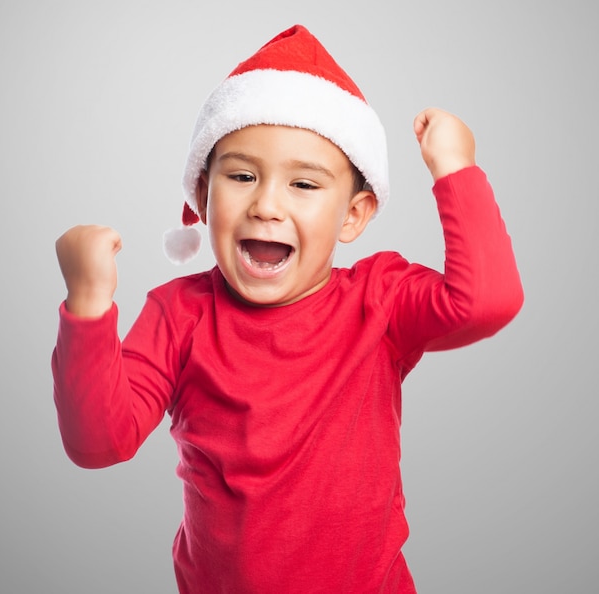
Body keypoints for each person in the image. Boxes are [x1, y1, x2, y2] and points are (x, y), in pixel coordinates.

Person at [52, 24, 523, 594]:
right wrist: (88, 303)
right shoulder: (180, 313)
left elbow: (487, 301)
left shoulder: (379, 300)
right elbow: (100, 442)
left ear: (353, 215)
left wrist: (455, 166)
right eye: (243, 176)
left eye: (304, 184)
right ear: (202, 196)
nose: (267, 204)